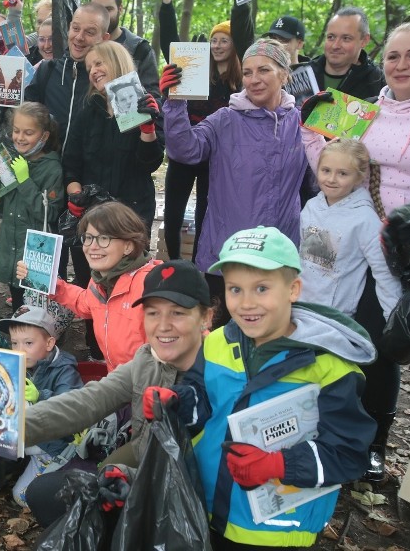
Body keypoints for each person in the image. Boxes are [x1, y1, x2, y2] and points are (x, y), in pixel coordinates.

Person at [145, 226, 376, 549]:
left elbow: (348, 453)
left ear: (293, 289)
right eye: (235, 289)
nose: (247, 303)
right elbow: (203, 399)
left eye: (262, 288)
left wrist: (279, 465)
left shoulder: (329, 368)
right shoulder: (218, 344)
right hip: (205, 512)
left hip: (275, 534)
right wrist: (178, 400)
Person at [0, 260, 213, 527]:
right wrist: (2, 426)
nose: (163, 326)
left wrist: (131, 478)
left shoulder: (222, 372)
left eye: (178, 313)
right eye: (153, 313)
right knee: (43, 494)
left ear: (206, 317)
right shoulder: (147, 359)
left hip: (194, 485)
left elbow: (198, 467)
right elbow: (89, 400)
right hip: (145, 453)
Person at [163, 38, 308, 319]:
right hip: (226, 254)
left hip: (279, 254)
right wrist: (175, 103)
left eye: (263, 70)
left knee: (270, 339)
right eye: (248, 72)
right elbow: (186, 150)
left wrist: (331, 131)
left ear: (284, 74)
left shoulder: (301, 123)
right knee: (224, 343)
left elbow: (321, 179)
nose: (254, 79)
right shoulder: (225, 119)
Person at [299, 139, 403, 482]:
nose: (331, 178)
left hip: (335, 318)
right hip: (303, 310)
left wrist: (393, 318)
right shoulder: (313, 206)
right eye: (326, 170)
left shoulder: (365, 220)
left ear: (359, 177)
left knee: (333, 380)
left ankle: (340, 441)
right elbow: (307, 260)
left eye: (342, 173)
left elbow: (383, 273)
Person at [61, 41, 164, 352]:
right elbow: (71, 163)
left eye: (99, 63)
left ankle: (132, 352)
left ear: (117, 63)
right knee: (91, 284)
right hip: (91, 215)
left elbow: (150, 163)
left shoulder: (139, 104)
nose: (94, 70)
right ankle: (97, 350)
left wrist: (148, 129)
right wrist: (74, 194)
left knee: (127, 285)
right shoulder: (87, 110)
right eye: (90, 66)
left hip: (131, 212)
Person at [301, 21, 410, 217]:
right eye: (393, 57)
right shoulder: (365, 109)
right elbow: (332, 173)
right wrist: (310, 130)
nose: (401, 65)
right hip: (358, 235)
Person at [159, 0, 250, 262]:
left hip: (216, 158)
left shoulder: (241, 81)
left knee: (205, 214)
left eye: (224, 40)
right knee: (173, 214)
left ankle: (198, 265)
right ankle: (173, 264)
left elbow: (245, 30)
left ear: (235, 44)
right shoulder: (196, 73)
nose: (218, 45)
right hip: (185, 153)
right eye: (214, 40)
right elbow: (170, 44)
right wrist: (167, 1)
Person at [17, 201, 156, 372]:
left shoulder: (151, 286)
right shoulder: (102, 280)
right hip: (120, 381)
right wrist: (42, 278)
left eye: (104, 238)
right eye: (88, 238)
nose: (92, 246)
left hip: (150, 388)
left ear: (128, 245)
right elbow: (85, 303)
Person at [0, 306, 83, 508]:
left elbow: (72, 407)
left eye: (28, 343)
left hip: (56, 445)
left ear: (49, 343)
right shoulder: (18, 363)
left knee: (24, 496)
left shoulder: (65, 368)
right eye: (14, 343)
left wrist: (40, 396)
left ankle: (53, 467)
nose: (19, 350)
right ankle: (16, 462)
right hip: (27, 432)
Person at [0, 102, 64, 311]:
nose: (20, 137)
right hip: (11, 245)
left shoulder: (52, 168)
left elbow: (50, 213)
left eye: (28, 133)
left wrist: (24, 180)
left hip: (33, 253)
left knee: (37, 308)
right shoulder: (12, 160)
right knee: (18, 301)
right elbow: (7, 206)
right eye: (16, 131)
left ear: (44, 136)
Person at [23, 3, 111, 150]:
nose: (79, 37)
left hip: (88, 172)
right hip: (47, 170)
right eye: (75, 28)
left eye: (89, 32)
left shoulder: (110, 80)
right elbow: (22, 124)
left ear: (104, 38)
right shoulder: (46, 71)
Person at [88, 0, 159, 95]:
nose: (102, 16)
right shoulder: (83, 46)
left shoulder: (140, 49)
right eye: (97, 9)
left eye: (108, 9)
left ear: (120, 9)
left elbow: (154, 97)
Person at [307, 7, 385, 99]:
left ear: (364, 40)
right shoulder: (302, 76)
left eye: (346, 38)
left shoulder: (378, 83)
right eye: (331, 37)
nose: (335, 46)